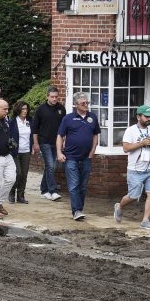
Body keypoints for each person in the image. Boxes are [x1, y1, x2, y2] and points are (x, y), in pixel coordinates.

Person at [114, 104, 150, 230]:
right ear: (138, 117)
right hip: (135, 169)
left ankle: (145, 220)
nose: (149, 119)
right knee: (133, 196)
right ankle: (120, 206)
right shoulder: (130, 130)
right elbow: (125, 148)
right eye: (146, 117)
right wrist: (142, 143)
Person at [56, 92, 100, 221]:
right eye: (83, 103)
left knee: (83, 186)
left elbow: (95, 135)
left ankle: (79, 209)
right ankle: (76, 211)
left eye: (87, 103)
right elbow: (60, 136)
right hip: (71, 157)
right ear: (76, 105)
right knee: (74, 185)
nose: (86, 105)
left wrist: (93, 151)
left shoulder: (92, 117)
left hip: (87, 158)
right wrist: (59, 152)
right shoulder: (68, 118)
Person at [31, 86, 66, 201]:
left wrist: (64, 140)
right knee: (50, 166)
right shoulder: (41, 109)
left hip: (57, 142)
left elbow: (63, 127)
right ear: (47, 96)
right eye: (52, 97)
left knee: (51, 167)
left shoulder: (61, 109)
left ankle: (43, 189)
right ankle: (53, 191)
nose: (54, 99)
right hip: (44, 141)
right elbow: (35, 128)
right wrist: (35, 143)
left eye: (56, 97)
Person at [8, 101, 34, 204]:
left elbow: (32, 135)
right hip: (15, 152)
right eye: (23, 109)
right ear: (18, 110)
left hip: (26, 151)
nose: (25, 111)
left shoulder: (30, 121)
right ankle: (11, 192)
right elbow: (8, 136)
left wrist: (33, 146)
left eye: (26, 109)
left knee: (24, 175)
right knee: (17, 174)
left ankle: (20, 195)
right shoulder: (13, 122)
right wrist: (11, 148)